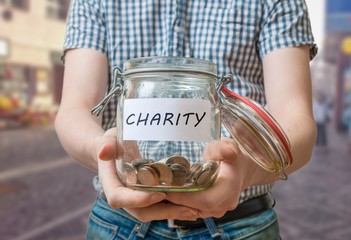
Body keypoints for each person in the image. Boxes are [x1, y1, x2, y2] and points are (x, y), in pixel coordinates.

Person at [55, 0, 318, 239]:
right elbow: (74, 110)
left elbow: (296, 121)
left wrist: (245, 171)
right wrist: (103, 154)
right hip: (118, 224)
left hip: (240, 224)